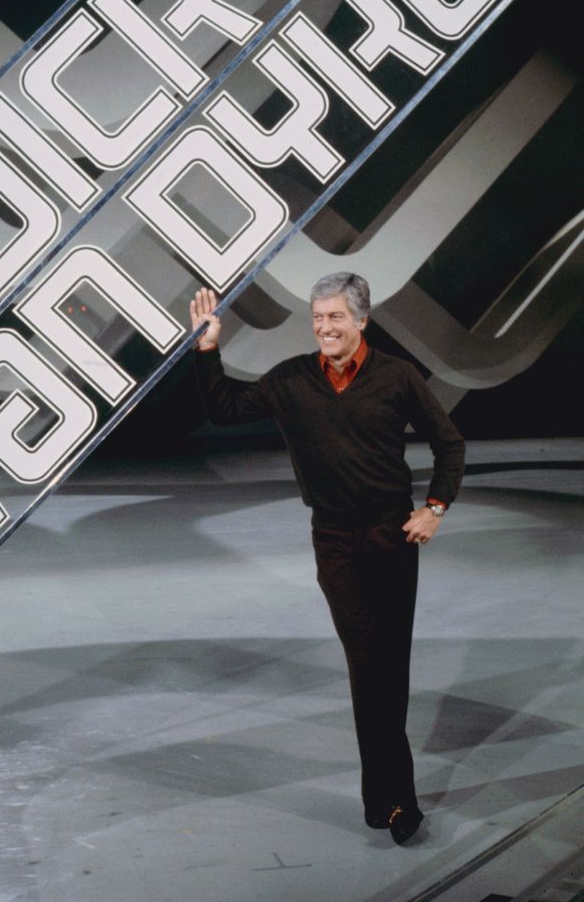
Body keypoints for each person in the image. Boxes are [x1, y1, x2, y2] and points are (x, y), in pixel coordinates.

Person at [190, 272, 465, 845]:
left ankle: (382, 803)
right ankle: (399, 803)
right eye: (317, 318)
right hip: (334, 540)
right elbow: (223, 408)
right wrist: (208, 349)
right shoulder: (292, 379)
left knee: (389, 667)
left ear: (361, 320)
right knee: (368, 661)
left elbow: (449, 443)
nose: (324, 328)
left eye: (335, 317)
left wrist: (434, 508)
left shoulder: (397, 376)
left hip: (393, 537)